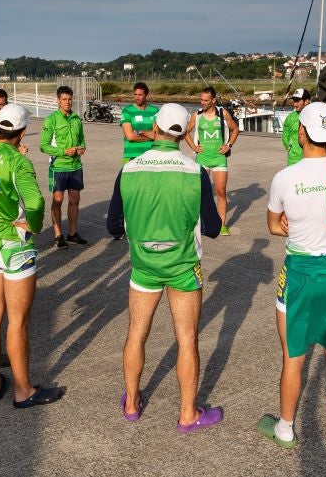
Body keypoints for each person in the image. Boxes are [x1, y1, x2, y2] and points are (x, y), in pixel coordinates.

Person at [106, 103, 223, 432]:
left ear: (155, 127)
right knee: (187, 340)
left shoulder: (128, 169)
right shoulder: (194, 172)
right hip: (183, 265)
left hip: (143, 264)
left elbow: (113, 226)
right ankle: (188, 413)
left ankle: (131, 403)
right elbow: (213, 227)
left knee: (136, 334)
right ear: (185, 132)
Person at [260, 102, 326, 448]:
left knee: (293, 355)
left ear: (302, 133)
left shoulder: (284, 177)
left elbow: (275, 226)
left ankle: (286, 427)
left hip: (300, 271)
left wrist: (287, 226)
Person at [0, 103, 63, 408]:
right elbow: (34, 202)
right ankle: (23, 390)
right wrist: (31, 227)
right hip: (15, 248)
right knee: (17, 322)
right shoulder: (17, 162)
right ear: (19, 133)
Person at [185, 86, 239, 235]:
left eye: (206, 100)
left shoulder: (223, 114)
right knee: (199, 192)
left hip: (219, 158)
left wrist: (228, 145)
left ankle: (221, 225)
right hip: (202, 158)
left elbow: (235, 129)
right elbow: (185, 131)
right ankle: (199, 222)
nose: (202, 103)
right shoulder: (197, 115)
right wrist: (194, 147)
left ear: (213, 100)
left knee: (221, 192)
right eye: (201, 100)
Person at [40, 85, 87, 249]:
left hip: (75, 166)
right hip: (58, 167)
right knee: (58, 200)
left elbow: (82, 140)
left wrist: (82, 148)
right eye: (64, 99)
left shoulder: (76, 119)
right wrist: (62, 151)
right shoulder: (51, 119)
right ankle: (58, 235)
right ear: (58, 100)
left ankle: (73, 234)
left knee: (75, 200)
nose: (68, 102)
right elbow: (43, 146)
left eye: (70, 99)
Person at [120, 82, 159, 164]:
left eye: (140, 95)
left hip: (151, 156)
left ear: (147, 95)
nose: (137, 97)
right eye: (135, 94)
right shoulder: (127, 111)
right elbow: (130, 136)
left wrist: (141, 132)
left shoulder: (155, 111)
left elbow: (158, 135)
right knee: (122, 177)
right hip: (131, 156)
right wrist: (150, 136)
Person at [281, 88, 311, 165]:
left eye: (297, 101)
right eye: (294, 101)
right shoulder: (290, 118)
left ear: (307, 101)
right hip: (293, 161)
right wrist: (291, 150)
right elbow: (285, 137)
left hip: (310, 160)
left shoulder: (315, 116)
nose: (294, 104)